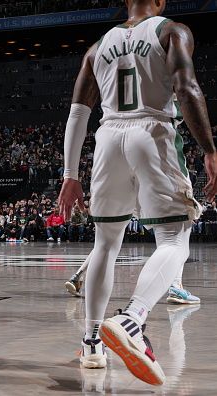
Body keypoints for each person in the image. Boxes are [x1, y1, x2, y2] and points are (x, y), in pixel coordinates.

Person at [58, 0, 217, 385]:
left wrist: (69, 173)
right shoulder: (171, 30)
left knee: (105, 244)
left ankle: (92, 341)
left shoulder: (96, 48)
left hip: (108, 136)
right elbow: (186, 86)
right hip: (153, 131)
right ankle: (132, 319)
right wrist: (210, 149)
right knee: (175, 238)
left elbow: (78, 112)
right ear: (160, 1)